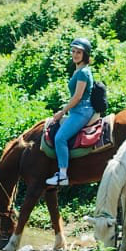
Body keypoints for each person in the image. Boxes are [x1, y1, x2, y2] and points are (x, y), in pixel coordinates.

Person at [45, 37, 95, 188]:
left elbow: (78, 96)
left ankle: (62, 175)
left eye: (79, 52)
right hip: (77, 111)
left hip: (81, 111)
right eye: (73, 51)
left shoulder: (82, 73)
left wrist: (62, 112)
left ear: (85, 54)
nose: (75, 55)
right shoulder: (78, 70)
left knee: (60, 137)